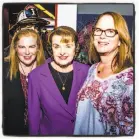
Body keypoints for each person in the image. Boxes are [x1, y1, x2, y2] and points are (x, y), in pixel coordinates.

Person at [74, 11, 134, 135]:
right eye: (98, 30)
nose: (102, 36)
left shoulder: (130, 80)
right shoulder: (93, 69)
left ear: (120, 40)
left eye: (110, 31)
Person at [28, 26, 90, 135]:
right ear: (51, 49)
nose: (62, 52)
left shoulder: (87, 72)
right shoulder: (36, 76)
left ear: (76, 48)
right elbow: (34, 117)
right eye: (57, 46)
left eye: (68, 46)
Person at [3, 29, 45, 135]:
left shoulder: (47, 71)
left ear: (38, 48)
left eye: (31, 46)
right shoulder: (4, 70)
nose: (27, 52)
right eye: (22, 47)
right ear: (15, 48)